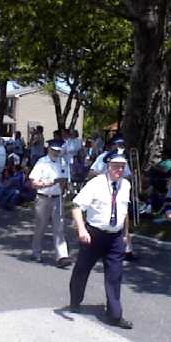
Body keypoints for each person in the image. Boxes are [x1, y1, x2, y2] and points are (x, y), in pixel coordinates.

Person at [69, 150, 133, 329]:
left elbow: (124, 211)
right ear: (108, 167)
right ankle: (75, 301)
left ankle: (114, 314)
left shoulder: (125, 185)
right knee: (82, 270)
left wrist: (126, 234)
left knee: (115, 275)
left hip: (115, 237)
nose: (119, 170)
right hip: (94, 234)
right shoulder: (95, 184)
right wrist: (82, 229)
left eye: (122, 167)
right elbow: (76, 207)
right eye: (115, 167)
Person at [28, 139, 73, 268]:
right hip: (43, 197)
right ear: (49, 149)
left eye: (58, 151)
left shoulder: (63, 163)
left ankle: (62, 256)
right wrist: (50, 182)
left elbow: (66, 180)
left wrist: (64, 186)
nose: (56, 153)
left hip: (57, 198)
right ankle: (36, 252)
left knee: (59, 228)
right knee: (40, 227)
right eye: (54, 150)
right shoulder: (42, 162)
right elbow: (33, 183)